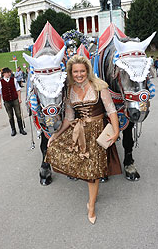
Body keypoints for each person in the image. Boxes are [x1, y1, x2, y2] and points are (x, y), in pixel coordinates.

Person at [45, 55, 121, 224]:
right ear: (71, 73)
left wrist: (115, 132)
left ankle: (91, 206)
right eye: (76, 71)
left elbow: (111, 110)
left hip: (98, 132)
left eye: (82, 71)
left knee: (93, 173)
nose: (79, 74)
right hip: (79, 133)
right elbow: (69, 118)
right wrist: (56, 135)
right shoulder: (70, 90)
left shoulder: (99, 86)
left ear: (87, 71)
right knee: (85, 168)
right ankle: (92, 198)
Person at [0, 67, 27, 136]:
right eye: (7, 72)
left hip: (15, 99)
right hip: (7, 101)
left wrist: (19, 98)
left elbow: (18, 89)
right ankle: (13, 130)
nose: (9, 74)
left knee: (18, 115)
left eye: (9, 72)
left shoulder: (14, 80)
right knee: (10, 116)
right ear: (4, 74)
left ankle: (21, 129)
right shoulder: (0, 82)